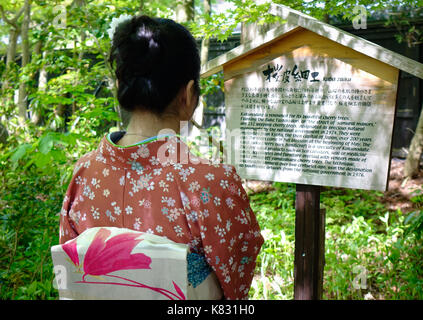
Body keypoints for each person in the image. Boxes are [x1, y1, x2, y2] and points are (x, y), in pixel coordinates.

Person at [58, 15, 264, 300]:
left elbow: (71, 269)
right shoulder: (212, 184)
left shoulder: (84, 174)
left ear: (120, 85)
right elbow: (235, 287)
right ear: (188, 94)